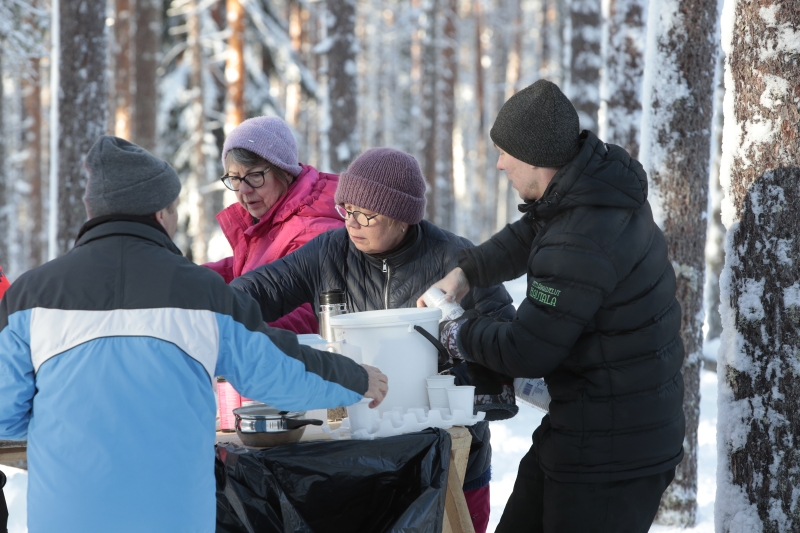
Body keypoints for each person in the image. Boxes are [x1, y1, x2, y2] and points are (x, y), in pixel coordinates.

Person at [0, 136, 388, 533]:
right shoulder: (201, 293)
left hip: (67, 517)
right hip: (173, 515)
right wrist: (355, 378)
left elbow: (5, 414)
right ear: (160, 212)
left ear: (91, 210)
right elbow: (276, 372)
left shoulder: (29, 296)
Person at [420, 80, 685, 533]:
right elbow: (529, 233)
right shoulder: (587, 190)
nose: (500, 163)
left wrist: (456, 333)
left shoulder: (579, 240)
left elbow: (528, 351)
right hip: (586, 426)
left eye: (506, 153)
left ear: (537, 158)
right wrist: (465, 273)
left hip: (612, 456)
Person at [230, 147, 517, 533]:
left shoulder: (457, 260)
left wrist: (444, 391)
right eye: (346, 208)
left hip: (451, 461)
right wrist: (206, 306)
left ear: (402, 218)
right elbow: (259, 290)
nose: (352, 222)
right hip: (360, 464)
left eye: (366, 213)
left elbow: (507, 355)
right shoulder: (330, 251)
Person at [204, 116, 343, 334]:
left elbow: (306, 313)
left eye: (255, 176)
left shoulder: (312, 230)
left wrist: (232, 325)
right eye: (235, 179)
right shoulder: (271, 219)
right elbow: (245, 270)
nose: (244, 190)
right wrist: (187, 278)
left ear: (285, 171)